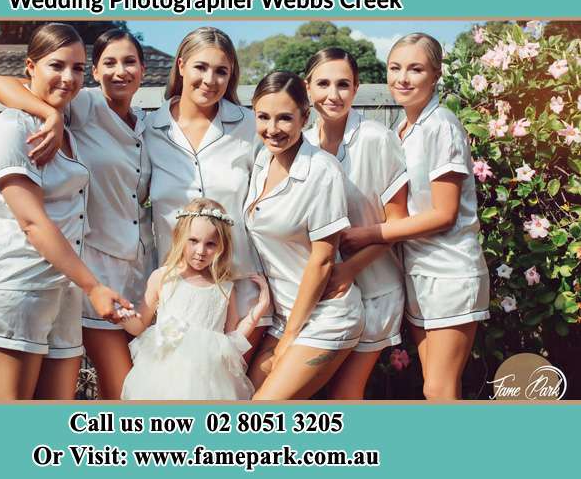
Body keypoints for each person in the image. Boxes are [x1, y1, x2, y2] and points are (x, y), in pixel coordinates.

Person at [0, 23, 131, 400]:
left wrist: (51, 115)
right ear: (31, 67)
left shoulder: (67, 122)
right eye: (57, 66)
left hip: (62, 293)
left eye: (78, 69)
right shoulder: (13, 127)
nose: (69, 78)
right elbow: (33, 223)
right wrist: (94, 286)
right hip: (15, 287)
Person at [341, 33, 489, 400]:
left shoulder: (441, 125)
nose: (402, 78)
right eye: (395, 68)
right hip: (418, 273)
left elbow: (444, 214)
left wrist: (370, 233)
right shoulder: (403, 130)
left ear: (436, 74)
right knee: (435, 388)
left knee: (439, 389)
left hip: (449, 272)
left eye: (415, 69)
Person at [144, 27, 272, 363]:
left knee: (231, 391)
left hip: (241, 285)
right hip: (178, 295)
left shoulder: (251, 126)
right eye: (201, 67)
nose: (210, 79)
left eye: (221, 71)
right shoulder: (148, 130)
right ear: (182, 65)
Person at [244, 71, 365, 400]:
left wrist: (288, 339)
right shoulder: (262, 160)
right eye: (263, 117)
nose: (272, 129)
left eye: (284, 118)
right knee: (241, 400)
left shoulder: (321, 171)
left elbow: (323, 260)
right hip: (285, 314)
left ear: (305, 116)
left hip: (326, 316)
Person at [302, 48, 409, 399]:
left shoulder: (377, 138)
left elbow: (398, 223)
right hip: (324, 296)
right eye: (323, 83)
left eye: (343, 84)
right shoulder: (300, 143)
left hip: (375, 288)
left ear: (357, 87)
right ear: (307, 87)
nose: (333, 95)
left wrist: (348, 271)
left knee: (345, 393)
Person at [119, 198, 270, 400]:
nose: (201, 251)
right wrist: (120, 313)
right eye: (193, 241)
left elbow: (232, 338)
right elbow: (139, 325)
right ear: (180, 237)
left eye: (210, 244)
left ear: (222, 247)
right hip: (163, 376)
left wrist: (260, 307)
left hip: (209, 379)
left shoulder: (224, 288)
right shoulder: (164, 277)